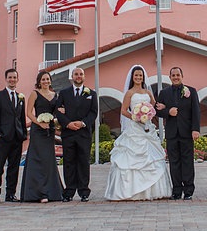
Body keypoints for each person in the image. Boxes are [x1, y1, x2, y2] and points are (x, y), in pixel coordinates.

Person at [105, 65, 173, 201]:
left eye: (140, 75)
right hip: (134, 128)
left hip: (147, 127)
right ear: (132, 77)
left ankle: (153, 190)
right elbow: (124, 110)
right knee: (131, 158)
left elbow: (155, 106)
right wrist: (135, 117)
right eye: (136, 75)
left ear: (143, 77)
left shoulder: (148, 93)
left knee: (152, 157)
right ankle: (131, 191)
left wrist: (159, 109)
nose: (138, 77)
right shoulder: (129, 93)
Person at [155, 65, 201, 199]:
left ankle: (188, 191)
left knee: (187, 162)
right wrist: (168, 111)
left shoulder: (191, 91)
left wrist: (195, 129)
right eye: (173, 75)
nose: (175, 77)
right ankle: (176, 190)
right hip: (172, 133)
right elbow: (156, 110)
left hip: (187, 132)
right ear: (170, 77)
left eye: (178, 75)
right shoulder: (164, 93)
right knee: (174, 162)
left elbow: (196, 112)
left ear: (182, 76)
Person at [19, 70, 64, 202]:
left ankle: (51, 192)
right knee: (37, 159)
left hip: (49, 131)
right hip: (38, 131)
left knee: (48, 160)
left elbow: (56, 113)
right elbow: (28, 113)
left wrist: (59, 115)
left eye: (48, 79)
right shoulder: (35, 94)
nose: (46, 81)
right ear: (39, 81)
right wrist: (39, 123)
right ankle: (38, 193)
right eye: (43, 79)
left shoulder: (55, 95)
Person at [56, 66, 97, 202]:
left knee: (84, 162)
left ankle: (84, 191)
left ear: (84, 77)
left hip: (83, 133)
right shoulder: (63, 93)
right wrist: (68, 124)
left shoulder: (91, 94)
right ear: (72, 77)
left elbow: (93, 112)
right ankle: (69, 191)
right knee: (69, 162)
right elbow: (58, 111)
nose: (78, 76)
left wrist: (82, 123)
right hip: (68, 133)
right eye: (76, 74)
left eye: (81, 74)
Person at [0, 67, 26, 204]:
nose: (12, 80)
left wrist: (23, 134)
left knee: (14, 168)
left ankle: (10, 194)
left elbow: (21, 118)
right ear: (6, 79)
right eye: (10, 77)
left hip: (17, 137)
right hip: (3, 137)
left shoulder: (20, 97)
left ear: (17, 79)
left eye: (14, 77)